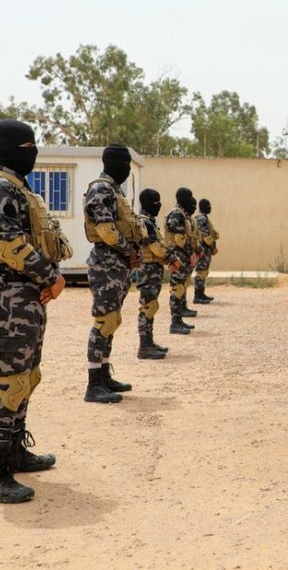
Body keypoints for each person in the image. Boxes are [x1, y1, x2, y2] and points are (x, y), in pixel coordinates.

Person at [0, 119, 71, 502]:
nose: (34, 153)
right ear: (13, 149)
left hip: (21, 296)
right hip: (3, 296)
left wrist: (45, 281)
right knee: (7, 382)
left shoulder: (16, 188)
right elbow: (12, 247)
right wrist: (52, 278)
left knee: (27, 376)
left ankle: (14, 453)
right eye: (30, 146)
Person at [83, 144, 140, 403]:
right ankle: (93, 384)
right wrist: (130, 251)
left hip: (117, 264)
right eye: (125, 164)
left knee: (112, 320)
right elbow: (106, 232)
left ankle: (104, 375)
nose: (127, 169)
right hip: (106, 263)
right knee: (104, 321)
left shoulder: (114, 191)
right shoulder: (101, 189)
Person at [135, 188, 170, 360]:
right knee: (148, 306)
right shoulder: (145, 222)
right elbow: (156, 248)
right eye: (156, 202)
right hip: (148, 269)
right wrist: (172, 258)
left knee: (152, 305)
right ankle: (144, 346)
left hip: (153, 269)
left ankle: (149, 342)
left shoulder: (150, 221)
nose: (159, 205)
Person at [166, 188, 196, 335]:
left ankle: (179, 319)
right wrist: (191, 253)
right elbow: (179, 239)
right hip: (177, 257)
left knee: (181, 287)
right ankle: (175, 322)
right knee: (176, 289)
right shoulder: (176, 214)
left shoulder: (182, 215)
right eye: (189, 197)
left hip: (183, 256)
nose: (192, 200)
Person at [193, 198, 219, 304]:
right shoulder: (201, 219)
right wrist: (213, 246)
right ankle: (198, 296)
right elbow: (205, 236)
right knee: (201, 272)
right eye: (208, 205)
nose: (210, 207)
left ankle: (201, 293)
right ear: (203, 207)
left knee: (204, 272)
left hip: (205, 249)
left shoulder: (203, 218)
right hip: (203, 249)